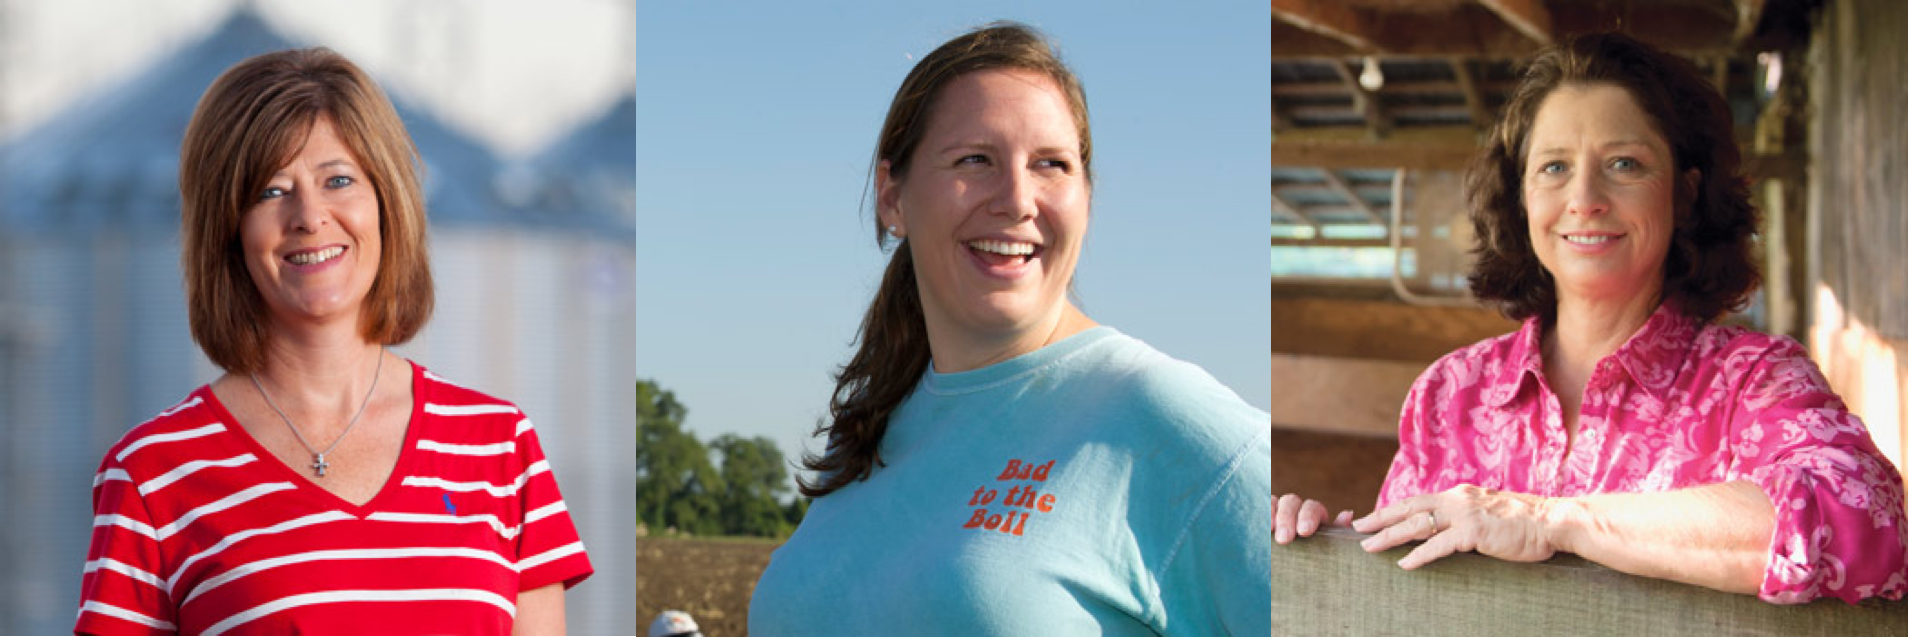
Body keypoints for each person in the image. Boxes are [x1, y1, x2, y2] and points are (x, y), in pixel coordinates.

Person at [1273, 32, 1908, 603]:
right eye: (1553, 168)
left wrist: (1553, 519)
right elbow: (1398, 599)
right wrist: (1325, 549)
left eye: (1624, 164)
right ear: (1521, 198)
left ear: (1685, 193)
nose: (1584, 199)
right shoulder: (1449, 392)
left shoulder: (1752, 379)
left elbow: (1869, 523)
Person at [747, 23, 1272, 634]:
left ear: (1087, 199)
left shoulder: (1170, 423)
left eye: (1052, 164)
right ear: (892, 196)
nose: (1018, 199)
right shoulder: (870, 430)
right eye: (975, 159)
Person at [74, 48, 593, 634]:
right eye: (271, 191)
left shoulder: (498, 445)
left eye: (338, 180)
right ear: (228, 228)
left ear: (386, 203)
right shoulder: (153, 472)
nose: (310, 216)